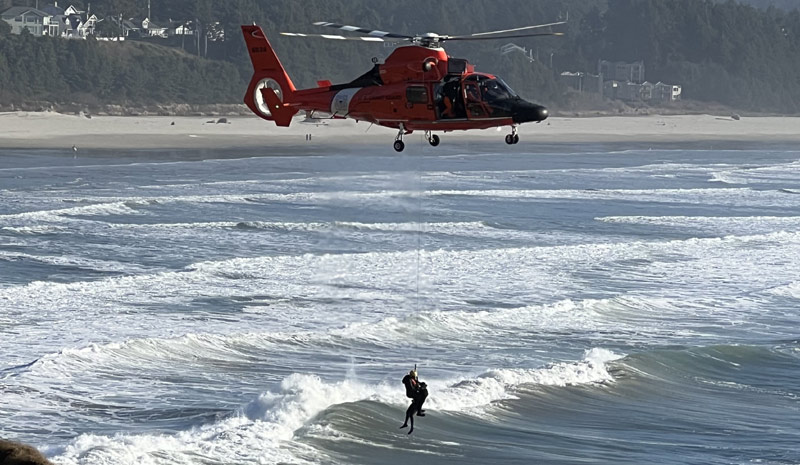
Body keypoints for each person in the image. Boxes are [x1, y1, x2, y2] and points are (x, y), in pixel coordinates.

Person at [399, 369, 428, 434]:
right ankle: (410, 425)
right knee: (410, 414)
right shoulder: (409, 380)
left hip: (415, 398)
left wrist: (421, 384)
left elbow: (418, 382)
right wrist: (418, 387)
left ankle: (408, 425)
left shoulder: (412, 379)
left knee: (409, 413)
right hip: (413, 395)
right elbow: (412, 388)